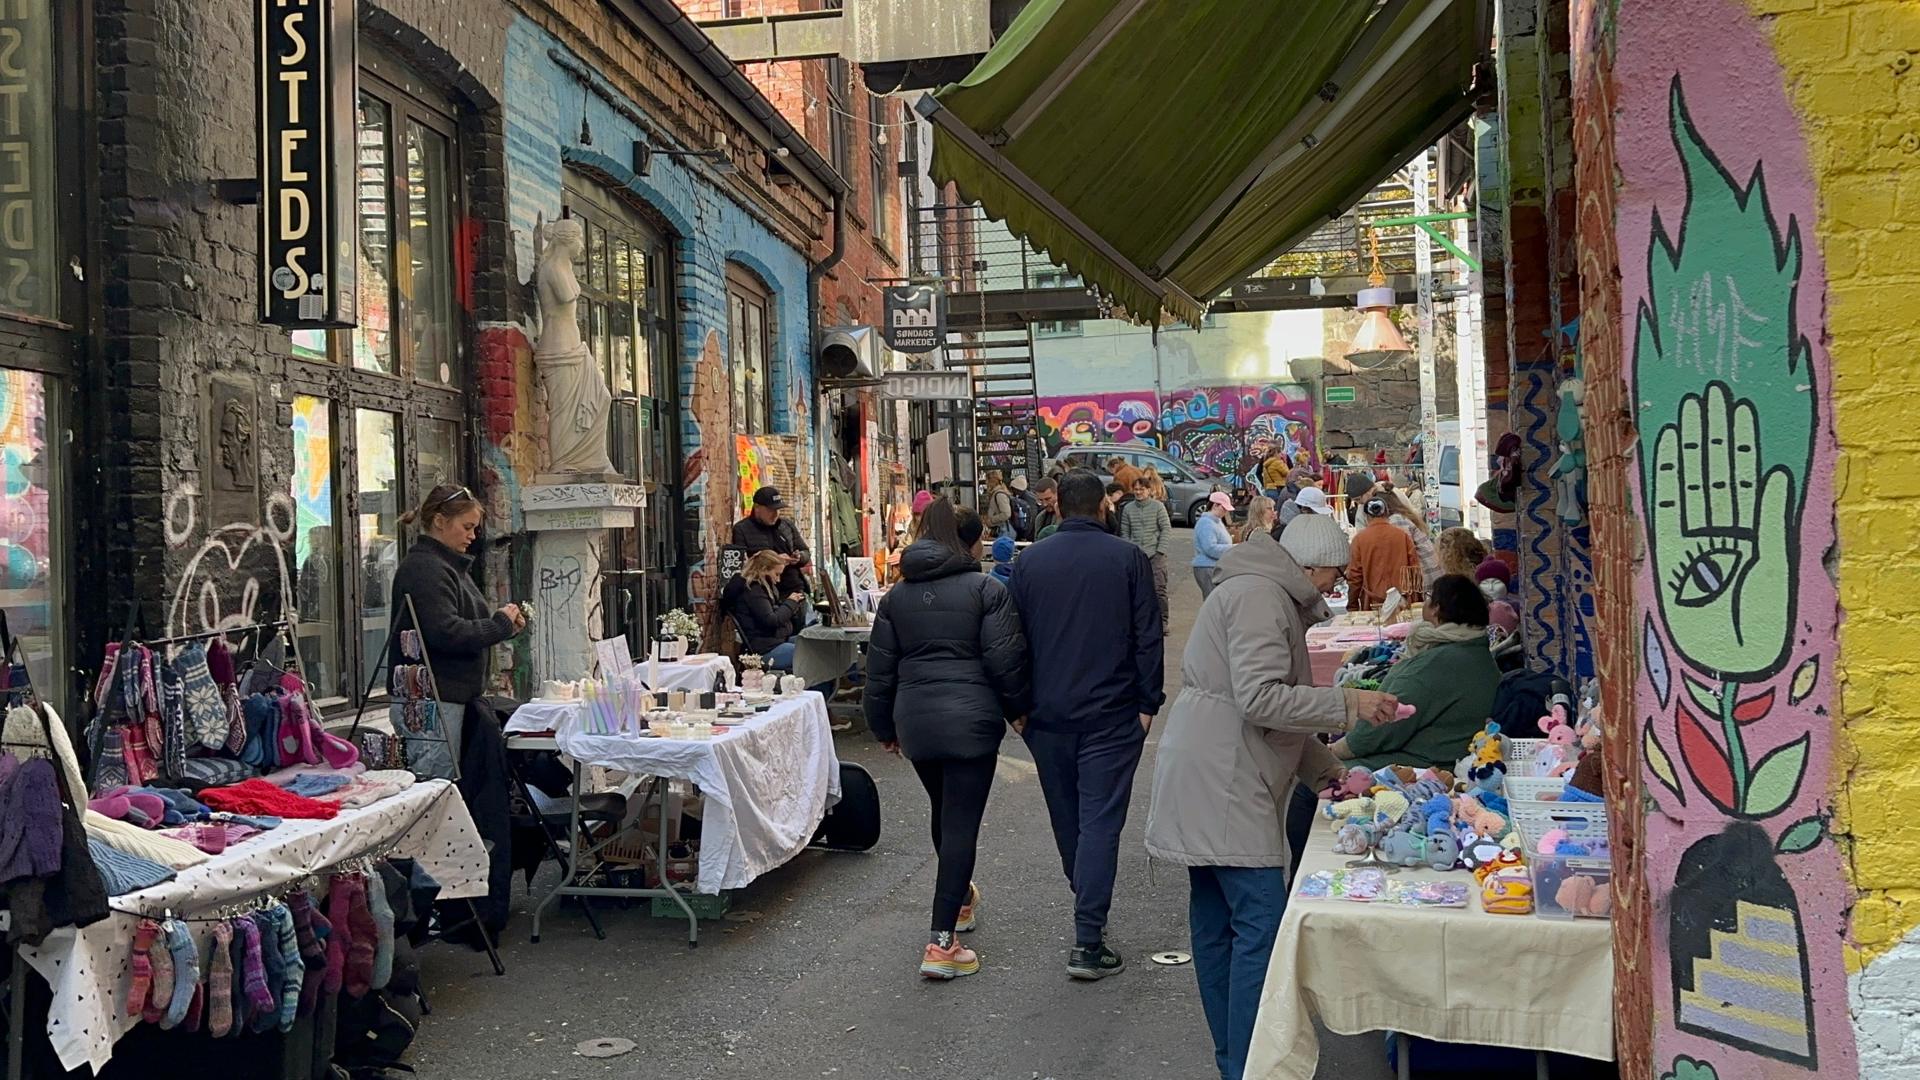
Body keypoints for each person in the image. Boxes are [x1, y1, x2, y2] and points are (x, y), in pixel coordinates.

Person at [1147, 511, 1400, 1080]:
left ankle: (1236, 1062)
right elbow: (1263, 701)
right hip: (1225, 776)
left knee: (1217, 924)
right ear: (1308, 562)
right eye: (1336, 568)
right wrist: (1348, 705)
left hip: (1211, 765)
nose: (1338, 581)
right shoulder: (1262, 597)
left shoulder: (1255, 590)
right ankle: (1252, 1065)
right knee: (1258, 921)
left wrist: (1327, 773)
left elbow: (1270, 712)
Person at [864, 498, 1031, 980]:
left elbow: (880, 670)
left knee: (943, 810)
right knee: (960, 824)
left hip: (915, 720)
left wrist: (883, 727)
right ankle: (942, 942)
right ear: (967, 542)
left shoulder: (897, 596)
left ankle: (959, 902)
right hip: (971, 721)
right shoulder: (985, 590)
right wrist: (1017, 711)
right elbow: (1006, 661)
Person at [1009, 469, 1164, 980]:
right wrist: (1147, 703)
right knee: (1100, 821)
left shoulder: (1029, 562)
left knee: (1068, 818)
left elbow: (1012, 639)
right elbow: (1148, 635)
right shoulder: (1127, 559)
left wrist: (1017, 705)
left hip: (1046, 714)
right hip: (1112, 712)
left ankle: (1088, 919)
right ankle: (1087, 937)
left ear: (1058, 508)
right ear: (1102, 506)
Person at [388, 483, 527, 939]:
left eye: (475, 528)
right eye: (467, 526)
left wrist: (496, 624)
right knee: (436, 805)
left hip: (451, 699)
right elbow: (445, 632)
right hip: (434, 703)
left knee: (450, 803)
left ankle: (455, 908)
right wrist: (499, 625)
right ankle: (431, 907)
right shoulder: (426, 569)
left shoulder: (444, 566)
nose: (472, 535)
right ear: (440, 522)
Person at [1329, 574, 1499, 772]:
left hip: (1424, 764)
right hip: (1443, 756)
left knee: (1317, 777)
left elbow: (1383, 724)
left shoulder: (1438, 663)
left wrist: (1335, 750)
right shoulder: (1474, 649)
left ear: (1436, 608)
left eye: (1428, 596)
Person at [721, 550, 809, 659]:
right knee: (810, 654)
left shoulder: (761, 588)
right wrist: (790, 603)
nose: (778, 580)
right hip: (766, 648)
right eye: (777, 574)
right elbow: (771, 620)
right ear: (764, 570)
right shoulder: (753, 591)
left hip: (774, 641)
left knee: (813, 644)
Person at [732, 486, 812, 597]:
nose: (775, 514)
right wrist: (775, 560)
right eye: (771, 510)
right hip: (763, 593)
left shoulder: (786, 525)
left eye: (778, 510)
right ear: (757, 508)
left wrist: (799, 557)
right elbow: (741, 566)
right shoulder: (742, 529)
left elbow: (805, 552)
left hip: (794, 588)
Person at [1345, 494, 1419, 611]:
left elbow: (1355, 576)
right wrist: (1416, 601)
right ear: (1386, 513)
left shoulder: (1359, 539)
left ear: (1367, 516)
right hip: (1401, 602)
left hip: (1372, 604)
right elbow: (1414, 569)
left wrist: (1352, 605)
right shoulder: (1402, 536)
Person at [1118, 474, 1172, 631]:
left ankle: (1163, 621)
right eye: (1135, 489)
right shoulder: (1128, 509)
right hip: (1136, 555)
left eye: (1142, 489)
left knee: (1158, 589)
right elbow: (1125, 532)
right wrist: (1130, 550)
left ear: (1149, 490)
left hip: (1155, 554)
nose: (1138, 492)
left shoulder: (1158, 507)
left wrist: (1160, 550)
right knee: (1135, 590)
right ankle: (1138, 621)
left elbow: (1166, 529)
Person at [1373, 484, 1441, 593]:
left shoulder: (1396, 520)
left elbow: (1402, 551)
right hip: (1427, 572)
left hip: (1424, 576)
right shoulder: (1402, 516)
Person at [1191, 491, 1235, 599]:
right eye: (1223, 508)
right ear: (1215, 505)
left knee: (1214, 601)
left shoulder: (1215, 521)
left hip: (1210, 567)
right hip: (1207, 568)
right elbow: (1210, 548)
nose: (1225, 512)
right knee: (1212, 601)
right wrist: (1233, 548)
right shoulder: (1206, 523)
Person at [1009, 474, 1042, 541]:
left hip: (1030, 533)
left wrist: (1026, 535)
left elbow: (1032, 517)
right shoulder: (1030, 496)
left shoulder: (1027, 500)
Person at [983, 470, 1014, 540]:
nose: (986, 483)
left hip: (1001, 529)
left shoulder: (999, 495)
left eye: (987, 480)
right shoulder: (995, 494)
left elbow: (1006, 514)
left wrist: (991, 520)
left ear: (992, 481)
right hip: (998, 528)